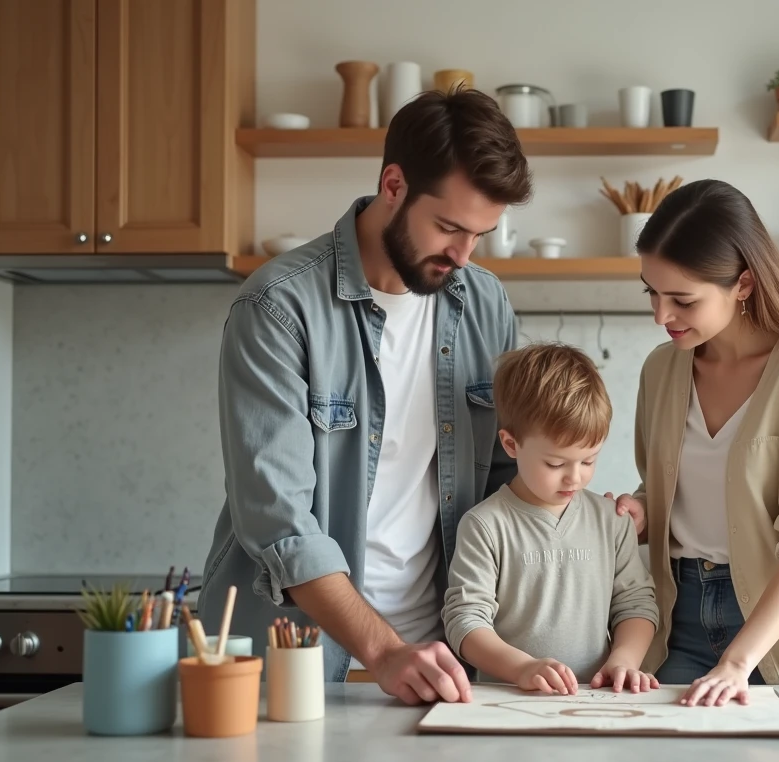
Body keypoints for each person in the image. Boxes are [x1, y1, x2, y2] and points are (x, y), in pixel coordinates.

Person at [196, 87, 534, 706]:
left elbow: (511, 481)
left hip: (445, 665)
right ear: (394, 185)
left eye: (480, 235)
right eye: (449, 227)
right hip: (299, 658)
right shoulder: (278, 307)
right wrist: (381, 650)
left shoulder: (486, 303)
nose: (463, 256)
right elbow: (278, 522)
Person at [609, 179, 779, 708]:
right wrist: (640, 512)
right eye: (651, 291)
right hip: (677, 626)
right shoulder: (662, 369)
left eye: (682, 299)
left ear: (744, 284)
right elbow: (667, 486)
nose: (660, 316)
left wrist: (737, 662)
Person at [442, 342, 660, 695]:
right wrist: (522, 668)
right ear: (511, 445)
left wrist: (624, 660)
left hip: (597, 702)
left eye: (588, 460)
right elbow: (465, 621)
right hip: (508, 706)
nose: (575, 478)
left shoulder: (612, 520)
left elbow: (636, 604)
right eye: (556, 464)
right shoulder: (485, 526)